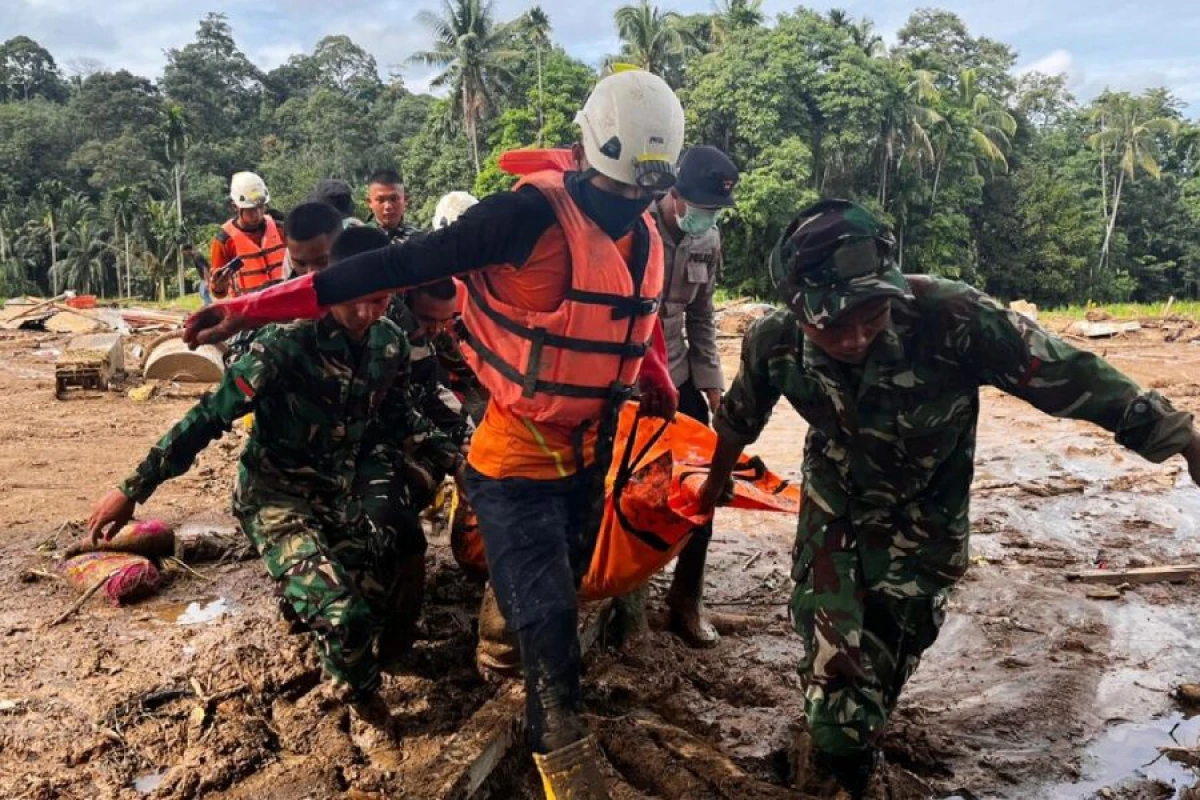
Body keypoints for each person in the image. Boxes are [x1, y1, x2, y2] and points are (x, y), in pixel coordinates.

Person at [183, 68, 685, 799]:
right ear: (584, 159)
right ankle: (563, 752)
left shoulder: (642, 233)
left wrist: (662, 388)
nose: (626, 206)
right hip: (513, 453)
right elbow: (391, 264)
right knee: (544, 611)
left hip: (588, 448)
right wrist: (253, 308)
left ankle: (511, 663)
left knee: (561, 588)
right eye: (617, 191)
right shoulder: (517, 220)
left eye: (641, 194)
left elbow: (631, 322)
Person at [697, 199, 1200, 798]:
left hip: (923, 526)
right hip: (834, 513)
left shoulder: (952, 317)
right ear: (797, 308)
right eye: (833, 324)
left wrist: (1183, 438)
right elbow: (739, 418)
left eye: (871, 312)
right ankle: (839, 760)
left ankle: (848, 743)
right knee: (838, 700)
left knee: (879, 674)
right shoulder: (772, 339)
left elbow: (1073, 376)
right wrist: (712, 484)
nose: (856, 335)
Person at [89, 225, 460, 735]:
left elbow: (402, 419)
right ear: (330, 284)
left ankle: (331, 656)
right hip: (275, 496)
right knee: (343, 616)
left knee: (372, 593)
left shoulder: (388, 344)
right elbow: (206, 419)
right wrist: (131, 489)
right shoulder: (286, 344)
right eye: (356, 300)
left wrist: (463, 463)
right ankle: (369, 712)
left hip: (336, 493)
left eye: (379, 301)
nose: (366, 313)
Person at [649, 144, 739, 648]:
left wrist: (713, 387)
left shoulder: (708, 239)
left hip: (679, 374)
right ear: (675, 195)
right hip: (631, 380)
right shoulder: (633, 230)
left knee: (704, 485)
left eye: (714, 211)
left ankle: (686, 599)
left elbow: (702, 317)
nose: (704, 217)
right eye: (700, 206)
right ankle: (622, 593)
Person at [222, 202, 345, 368]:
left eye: (322, 261)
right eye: (300, 263)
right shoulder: (267, 303)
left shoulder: (369, 299)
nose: (310, 273)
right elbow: (234, 363)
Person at [210, 172, 287, 299]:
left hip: (284, 303)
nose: (257, 214)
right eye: (250, 209)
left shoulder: (280, 229)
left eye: (260, 207)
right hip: (249, 312)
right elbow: (218, 292)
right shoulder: (224, 240)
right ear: (235, 207)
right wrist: (218, 287)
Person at [365, 169, 419, 243]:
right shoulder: (361, 239)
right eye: (381, 200)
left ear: (405, 200)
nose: (388, 206)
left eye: (393, 199)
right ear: (370, 203)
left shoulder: (419, 239)